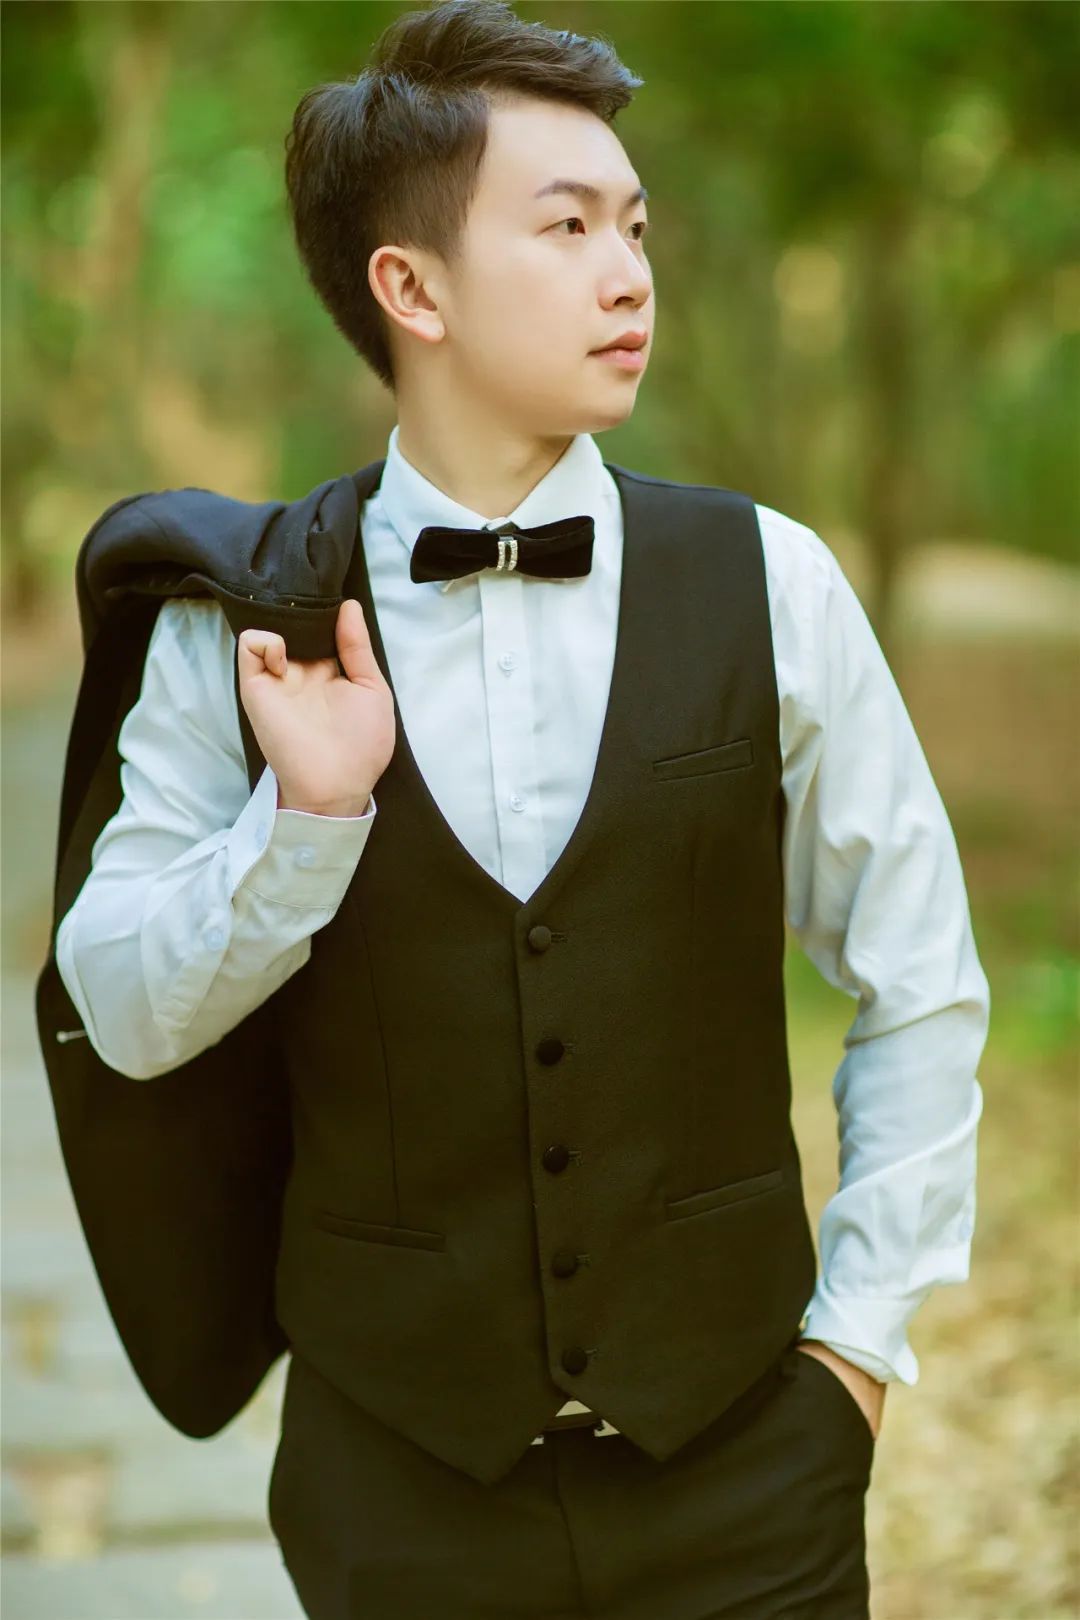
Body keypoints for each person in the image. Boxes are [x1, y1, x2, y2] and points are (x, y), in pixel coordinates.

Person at [55, 2, 990, 1615]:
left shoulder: (770, 582)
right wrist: (304, 827)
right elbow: (120, 1013)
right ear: (410, 288)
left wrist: (855, 1353)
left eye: (636, 227)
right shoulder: (242, 623)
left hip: (747, 1483)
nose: (629, 276)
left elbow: (921, 976)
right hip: (395, 1503)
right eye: (566, 229)